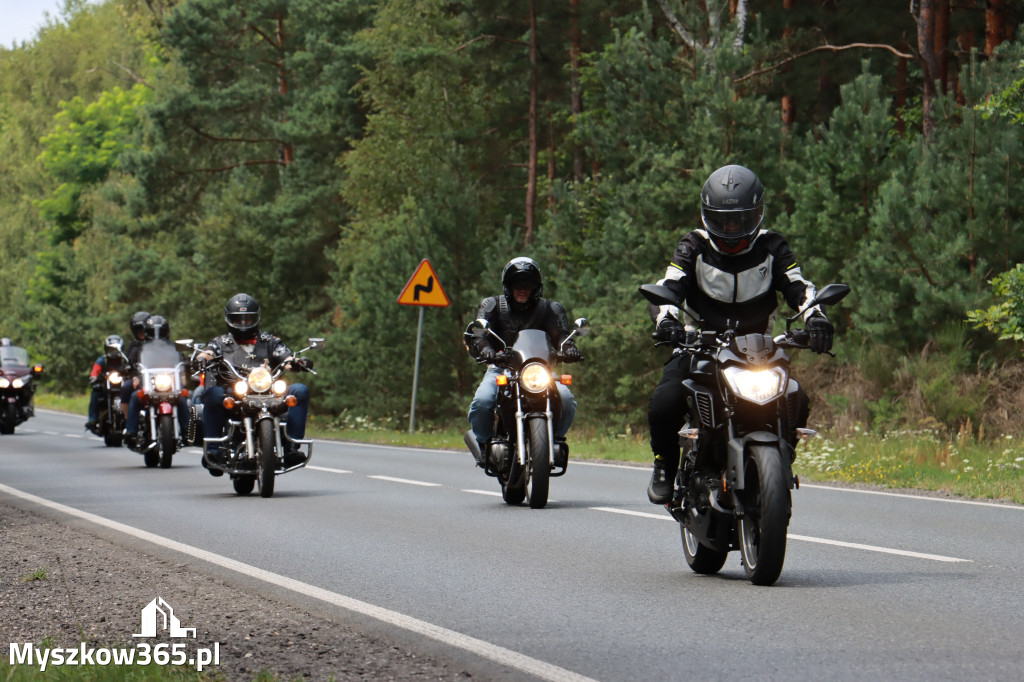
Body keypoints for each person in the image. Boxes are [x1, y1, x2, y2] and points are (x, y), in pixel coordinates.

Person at [645, 164, 834, 504]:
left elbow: (798, 287)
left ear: (757, 215)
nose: (731, 229)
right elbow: (669, 287)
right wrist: (666, 321)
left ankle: (778, 460)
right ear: (707, 217)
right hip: (700, 345)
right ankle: (664, 465)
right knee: (665, 401)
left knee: (798, 397)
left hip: (759, 349)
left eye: (740, 220)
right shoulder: (693, 246)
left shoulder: (773, 247)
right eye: (723, 220)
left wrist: (816, 318)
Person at [464, 257, 583, 469]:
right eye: (517, 284)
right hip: (502, 368)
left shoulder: (550, 309)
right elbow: (478, 336)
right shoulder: (492, 305)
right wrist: (487, 350)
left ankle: (553, 440)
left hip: (539, 370)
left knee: (566, 399)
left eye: (527, 285)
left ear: (536, 287)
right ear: (508, 286)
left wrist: (568, 348)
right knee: (482, 401)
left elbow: (561, 336)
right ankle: (484, 445)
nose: (522, 289)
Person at [197, 293, 310, 471]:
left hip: (270, 393)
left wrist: (295, 362)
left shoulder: (269, 341)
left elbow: (285, 356)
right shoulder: (221, 342)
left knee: (300, 390)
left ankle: (291, 448)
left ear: (256, 319)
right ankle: (213, 451)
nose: (243, 324)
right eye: (238, 319)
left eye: (248, 319)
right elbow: (208, 352)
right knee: (212, 393)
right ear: (229, 319)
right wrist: (201, 358)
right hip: (235, 395)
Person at [123, 315, 189, 447]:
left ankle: (187, 431)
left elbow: (182, 359)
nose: (157, 335)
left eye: (160, 331)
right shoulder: (140, 348)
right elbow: (130, 363)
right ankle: (131, 431)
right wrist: (132, 372)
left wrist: (188, 362)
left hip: (169, 385)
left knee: (182, 398)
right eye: (152, 331)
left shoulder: (173, 347)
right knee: (135, 397)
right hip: (150, 385)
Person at [85, 334, 127, 434]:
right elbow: (95, 371)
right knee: (95, 392)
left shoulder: (124, 360)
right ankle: (92, 419)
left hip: (121, 386)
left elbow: (132, 369)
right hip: (105, 386)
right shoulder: (102, 359)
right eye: (111, 349)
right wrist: (93, 378)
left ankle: (130, 420)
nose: (114, 352)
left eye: (116, 349)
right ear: (106, 349)